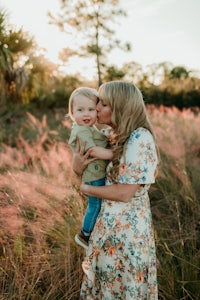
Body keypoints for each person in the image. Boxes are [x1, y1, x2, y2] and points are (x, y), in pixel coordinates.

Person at [72, 81, 159, 299]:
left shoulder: (139, 138)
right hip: (107, 229)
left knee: (125, 288)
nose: (97, 107)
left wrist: (86, 189)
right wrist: (78, 166)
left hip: (127, 233)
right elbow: (85, 171)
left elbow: (124, 193)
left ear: (119, 106)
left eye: (103, 103)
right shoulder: (114, 135)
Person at [68, 87, 113, 250]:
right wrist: (115, 154)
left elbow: (99, 138)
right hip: (93, 175)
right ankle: (85, 234)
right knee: (95, 205)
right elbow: (92, 150)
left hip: (96, 172)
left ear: (97, 111)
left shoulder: (89, 128)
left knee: (97, 204)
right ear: (72, 113)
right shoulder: (81, 130)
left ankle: (92, 232)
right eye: (80, 110)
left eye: (91, 109)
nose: (86, 114)